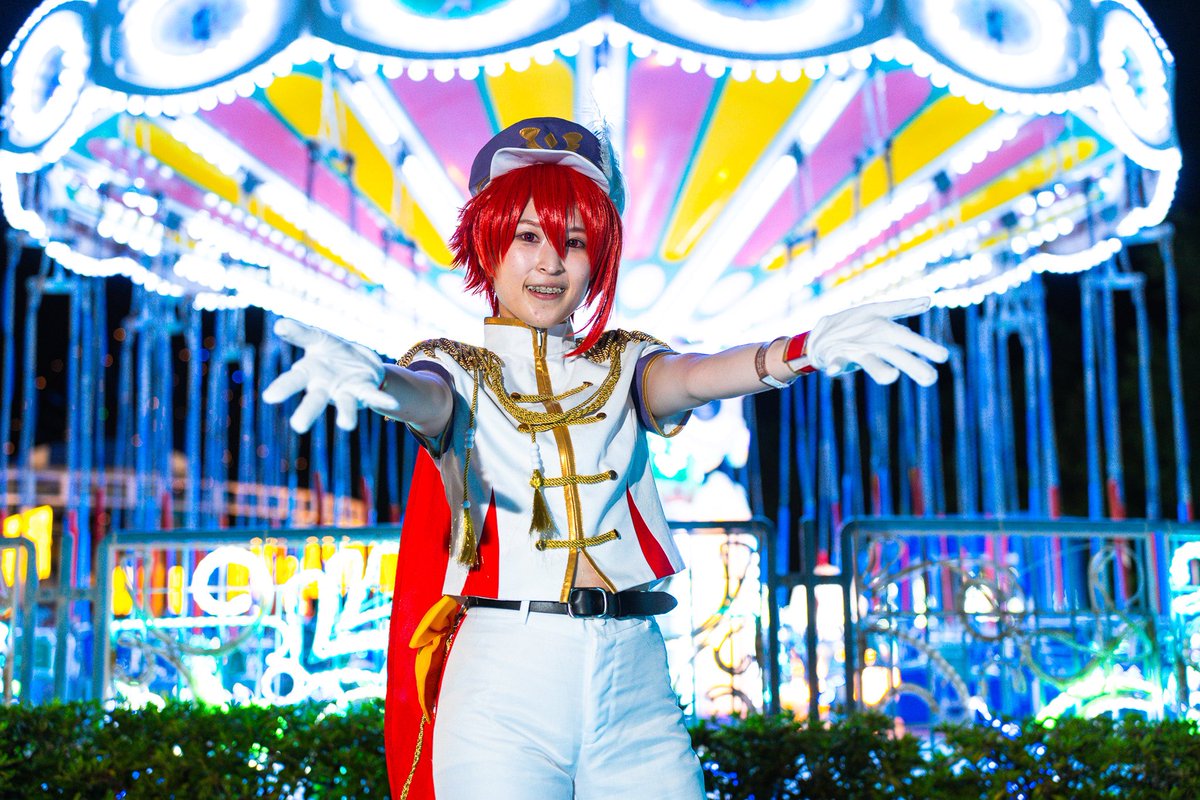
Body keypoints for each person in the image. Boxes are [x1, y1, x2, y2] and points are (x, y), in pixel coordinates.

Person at [262, 117, 948, 800]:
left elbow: (695, 376)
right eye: (527, 236)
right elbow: (425, 397)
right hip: (502, 678)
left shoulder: (624, 362)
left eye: (575, 241)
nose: (550, 263)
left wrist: (799, 351)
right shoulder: (455, 370)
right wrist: (378, 379)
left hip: (635, 676)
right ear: (486, 241)